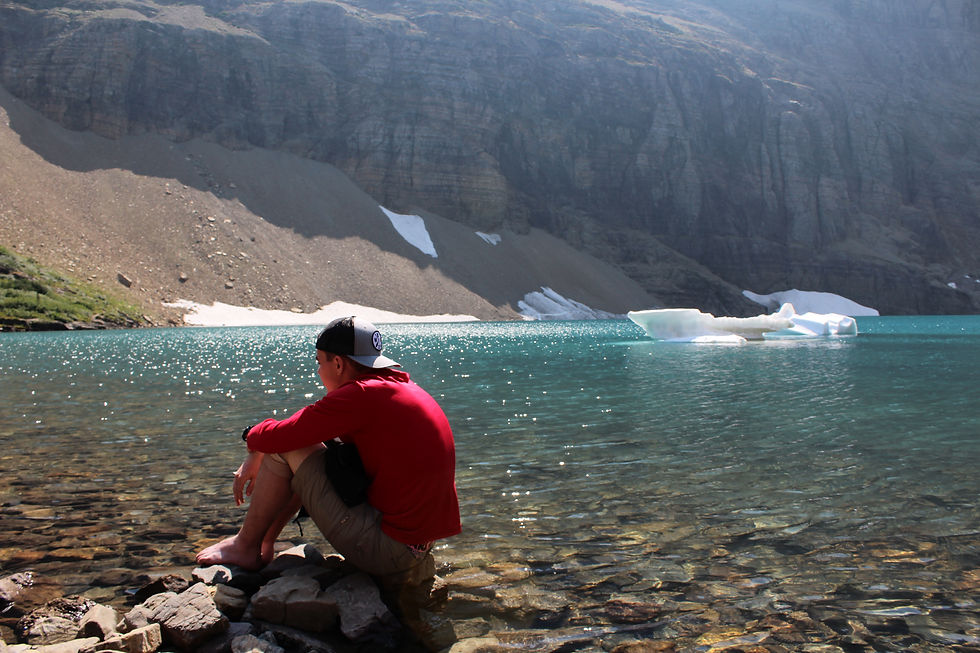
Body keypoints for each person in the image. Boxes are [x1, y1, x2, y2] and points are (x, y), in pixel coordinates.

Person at [196, 316, 460, 588]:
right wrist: (261, 445)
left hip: (389, 553)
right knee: (315, 450)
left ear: (338, 364)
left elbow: (285, 436)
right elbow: (304, 429)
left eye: (319, 362)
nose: (318, 371)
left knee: (290, 448)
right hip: (415, 547)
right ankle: (263, 544)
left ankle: (245, 545)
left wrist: (252, 441)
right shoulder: (399, 388)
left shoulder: (360, 395)